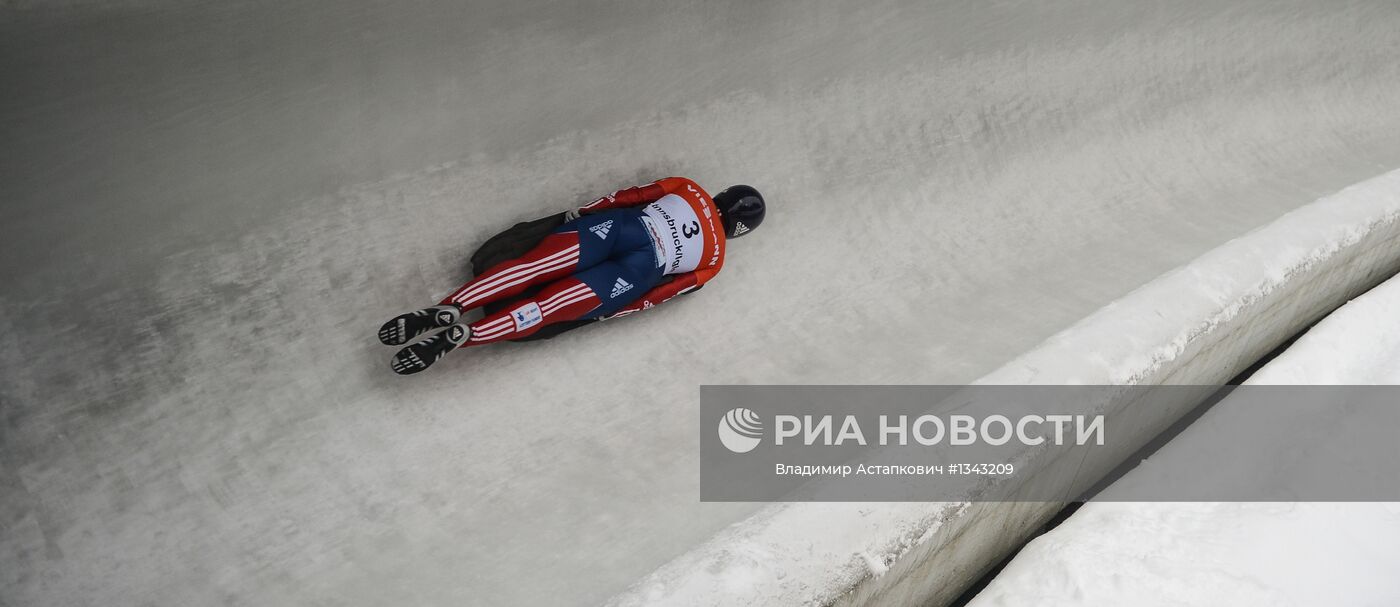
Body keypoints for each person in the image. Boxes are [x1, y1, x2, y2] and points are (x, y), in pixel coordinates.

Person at [377, 177, 766, 375]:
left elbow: (628, 196)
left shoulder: (689, 186)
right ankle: (469, 336)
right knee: (547, 308)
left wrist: (583, 212)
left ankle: (452, 306)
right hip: (636, 272)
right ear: (739, 230)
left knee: (532, 268)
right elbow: (659, 296)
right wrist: (611, 312)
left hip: (619, 228)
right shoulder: (714, 262)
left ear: (724, 195)